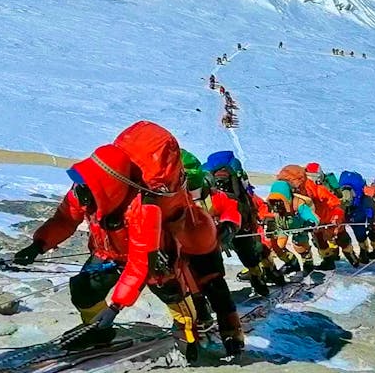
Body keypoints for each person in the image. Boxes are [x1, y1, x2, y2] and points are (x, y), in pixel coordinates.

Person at [14, 122, 244, 360]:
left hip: (157, 259)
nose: (79, 189)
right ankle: (98, 330)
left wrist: (115, 307)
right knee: (83, 290)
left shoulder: (144, 209)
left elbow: (140, 262)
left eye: (86, 185)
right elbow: (64, 218)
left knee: (176, 301)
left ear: (106, 186)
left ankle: (193, 335)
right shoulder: (86, 189)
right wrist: (38, 245)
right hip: (109, 253)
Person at [201, 151, 283, 295]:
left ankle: (262, 276)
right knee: (254, 254)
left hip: (220, 231)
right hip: (241, 229)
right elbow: (255, 203)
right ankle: (262, 278)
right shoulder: (241, 192)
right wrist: (267, 217)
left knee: (254, 253)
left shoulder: (211, 194)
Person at [262, 180, 320, 275]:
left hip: (299, 227)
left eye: (280, 201)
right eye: (274, 201)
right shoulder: (271, 205)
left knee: (300, 246)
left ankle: (308, 264)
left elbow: (309, 214)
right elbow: (266, 214)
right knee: (278, 246)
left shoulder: (298, 203)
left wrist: (311, 222)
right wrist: (266, 222)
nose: (277, 205)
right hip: (282, 227)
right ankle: (292, 262)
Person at [301, 163, 352, 270]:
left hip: (329, 215)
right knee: (320, 240)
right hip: (317, 218)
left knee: (339, 237)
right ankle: (330, 261)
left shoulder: (320, 189)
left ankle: (351, 258)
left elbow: (336, 200)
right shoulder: (305, 188)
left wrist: (337, 215)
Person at [337, 171, 375, 264]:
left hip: (346, 215)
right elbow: (370, 208)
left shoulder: (341, 199)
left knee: (341, 235)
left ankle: (351, 256)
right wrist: (370, 221)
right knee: (360, 235)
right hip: (357, 215)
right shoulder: (363, 198)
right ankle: (364, 254)